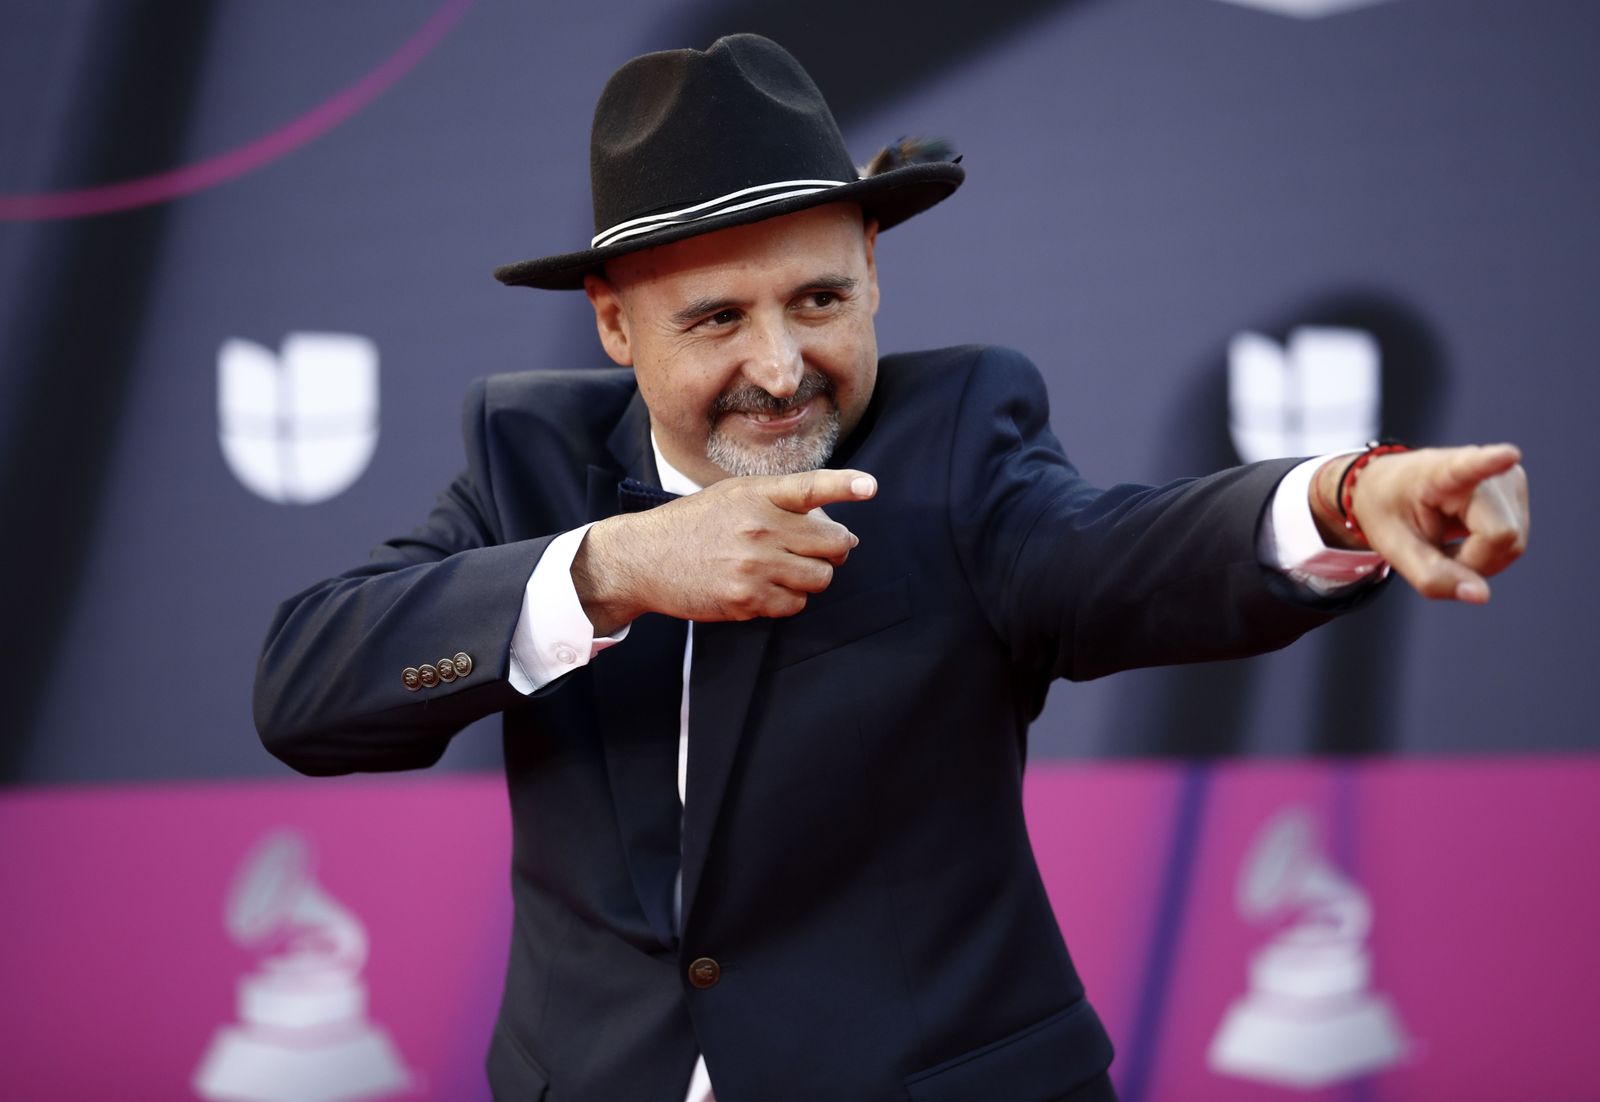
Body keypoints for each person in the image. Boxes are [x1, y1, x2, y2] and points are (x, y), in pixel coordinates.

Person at [253, 33, 1528, 1102]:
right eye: (715, 319)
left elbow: (1115, 554)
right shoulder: (527, 457)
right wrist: (612, 568)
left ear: (874, 270)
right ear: (611, 322)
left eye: (818, 300)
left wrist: (1349, 494)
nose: (780, 366)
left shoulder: (958, 438)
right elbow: (308, 687)